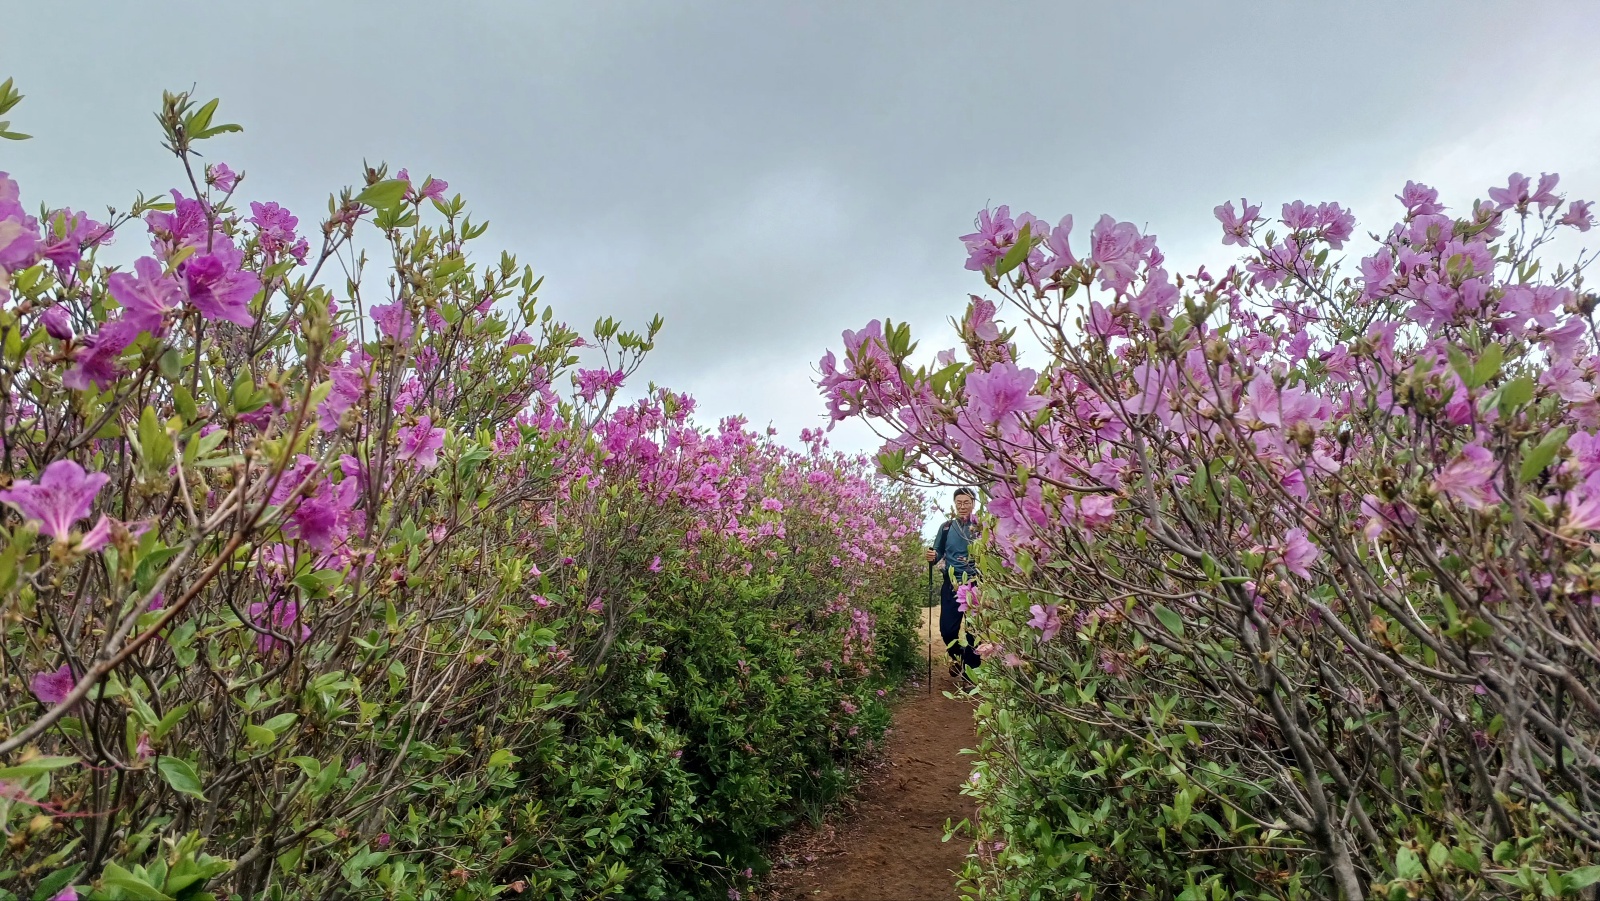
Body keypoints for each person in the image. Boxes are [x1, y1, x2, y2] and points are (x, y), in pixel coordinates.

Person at [926, 487, 981, 681]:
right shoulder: (947, 527)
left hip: (976, 583)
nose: (963, 506)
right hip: (952, 583)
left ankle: (970, 673)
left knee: (975, 630)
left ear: (973, 504)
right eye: (959, 503)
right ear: (955, 505)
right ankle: (958, 656)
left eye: (966, 502)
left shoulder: (981, 526)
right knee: (947, 630)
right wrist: (932, 556)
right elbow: (938, 552)